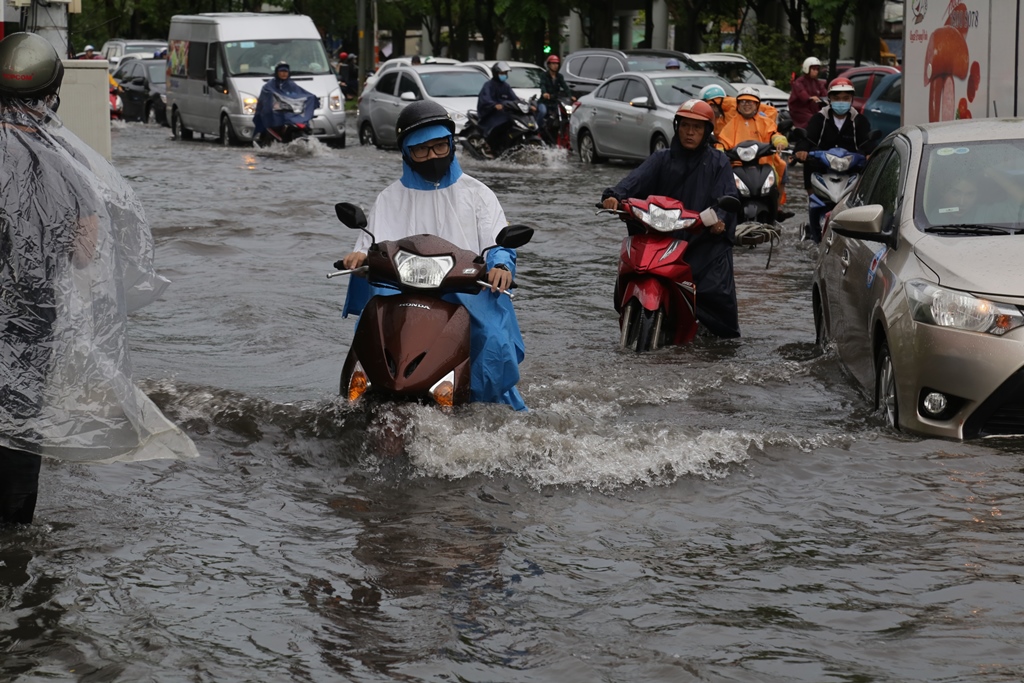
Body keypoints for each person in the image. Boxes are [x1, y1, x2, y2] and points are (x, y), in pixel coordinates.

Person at [0, 32, 197, 525]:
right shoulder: (67, 168)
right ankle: (14, 537)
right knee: (19, 426)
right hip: (30, 325)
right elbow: (87, 255)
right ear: (51, 94)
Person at [338, 101, 528, 410]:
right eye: (422, 150)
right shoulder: (389, 198)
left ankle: (485, 405)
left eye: (440, 147)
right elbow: (370, 240)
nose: (432, 156)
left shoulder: (478, 193)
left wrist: (502, 265)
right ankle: (358, 400)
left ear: (452, 144)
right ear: (406, 153)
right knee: (370, 337)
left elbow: (497, 242)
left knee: (492, 337)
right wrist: (358, 255)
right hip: (400, 291)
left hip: (463, 292)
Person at [601, 99, 742, 338]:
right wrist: (614, 196)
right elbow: (634, 181)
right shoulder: (662, 158)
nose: (690, 132)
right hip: (661, 237)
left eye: (697, 128)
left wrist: (720, 220)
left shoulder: (718, 162)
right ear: (677, 127)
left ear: (707, 132)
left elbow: (727, 197)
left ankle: (717, 340)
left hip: (701, 241)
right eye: (685, 126)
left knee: (716, 294)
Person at [716, 87, 791, 214]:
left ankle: (777, 206)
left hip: (763, 163)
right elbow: (722, 141)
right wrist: (720, 151)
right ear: (738, 105)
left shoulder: (765, 121)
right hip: (738, 164)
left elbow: (774, 134)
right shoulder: (731, 124)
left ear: (757, 105)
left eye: (750, 102)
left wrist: (779, 141)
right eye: (743, 102)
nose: (747, 105)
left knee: (782, 166)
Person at [477, 61, 535, 157]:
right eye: (502, 73)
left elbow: (514, 99)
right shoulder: (489, 85)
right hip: (490, 114)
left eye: (505, 73)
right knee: (499, 124)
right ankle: (492, 147)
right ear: (496, 74)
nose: (504, 75)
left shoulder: (506, 86)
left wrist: (527, 106)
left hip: (503, 113)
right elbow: (485, 99)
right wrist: (494, 105)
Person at [252, 62, 317, 145]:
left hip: (290, 111)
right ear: (277, 72)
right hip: (274, 112)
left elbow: (300, 94)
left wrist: (311, 98)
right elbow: (265, 98)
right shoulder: (269, 85)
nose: (284, 74)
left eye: (286, 72)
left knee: (301, 123)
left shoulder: (291, 85)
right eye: (281, 71)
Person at [788, 57, 827, 130]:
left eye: (817, 69)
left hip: (813, 109)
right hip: (800, 110)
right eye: (814, 69)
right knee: (813, 120)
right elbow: (802, 93)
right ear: (807, 69)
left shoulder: (817, 82)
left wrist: (829, 98)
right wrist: (810, 98)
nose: (816, 72)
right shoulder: (799, 82)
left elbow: (824, 93)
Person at [536, 54, 574, 128]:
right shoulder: (544, 75)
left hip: (555, 101)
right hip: (544, 101)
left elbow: (565, 87)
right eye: (553, 63)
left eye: (557, 63)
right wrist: (545, 93)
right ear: (549, 65)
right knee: (543, 112)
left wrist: (570, 96)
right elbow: (542, 85)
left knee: (563, 113)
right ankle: (537, 128)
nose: (555, 65)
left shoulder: (560, 76)